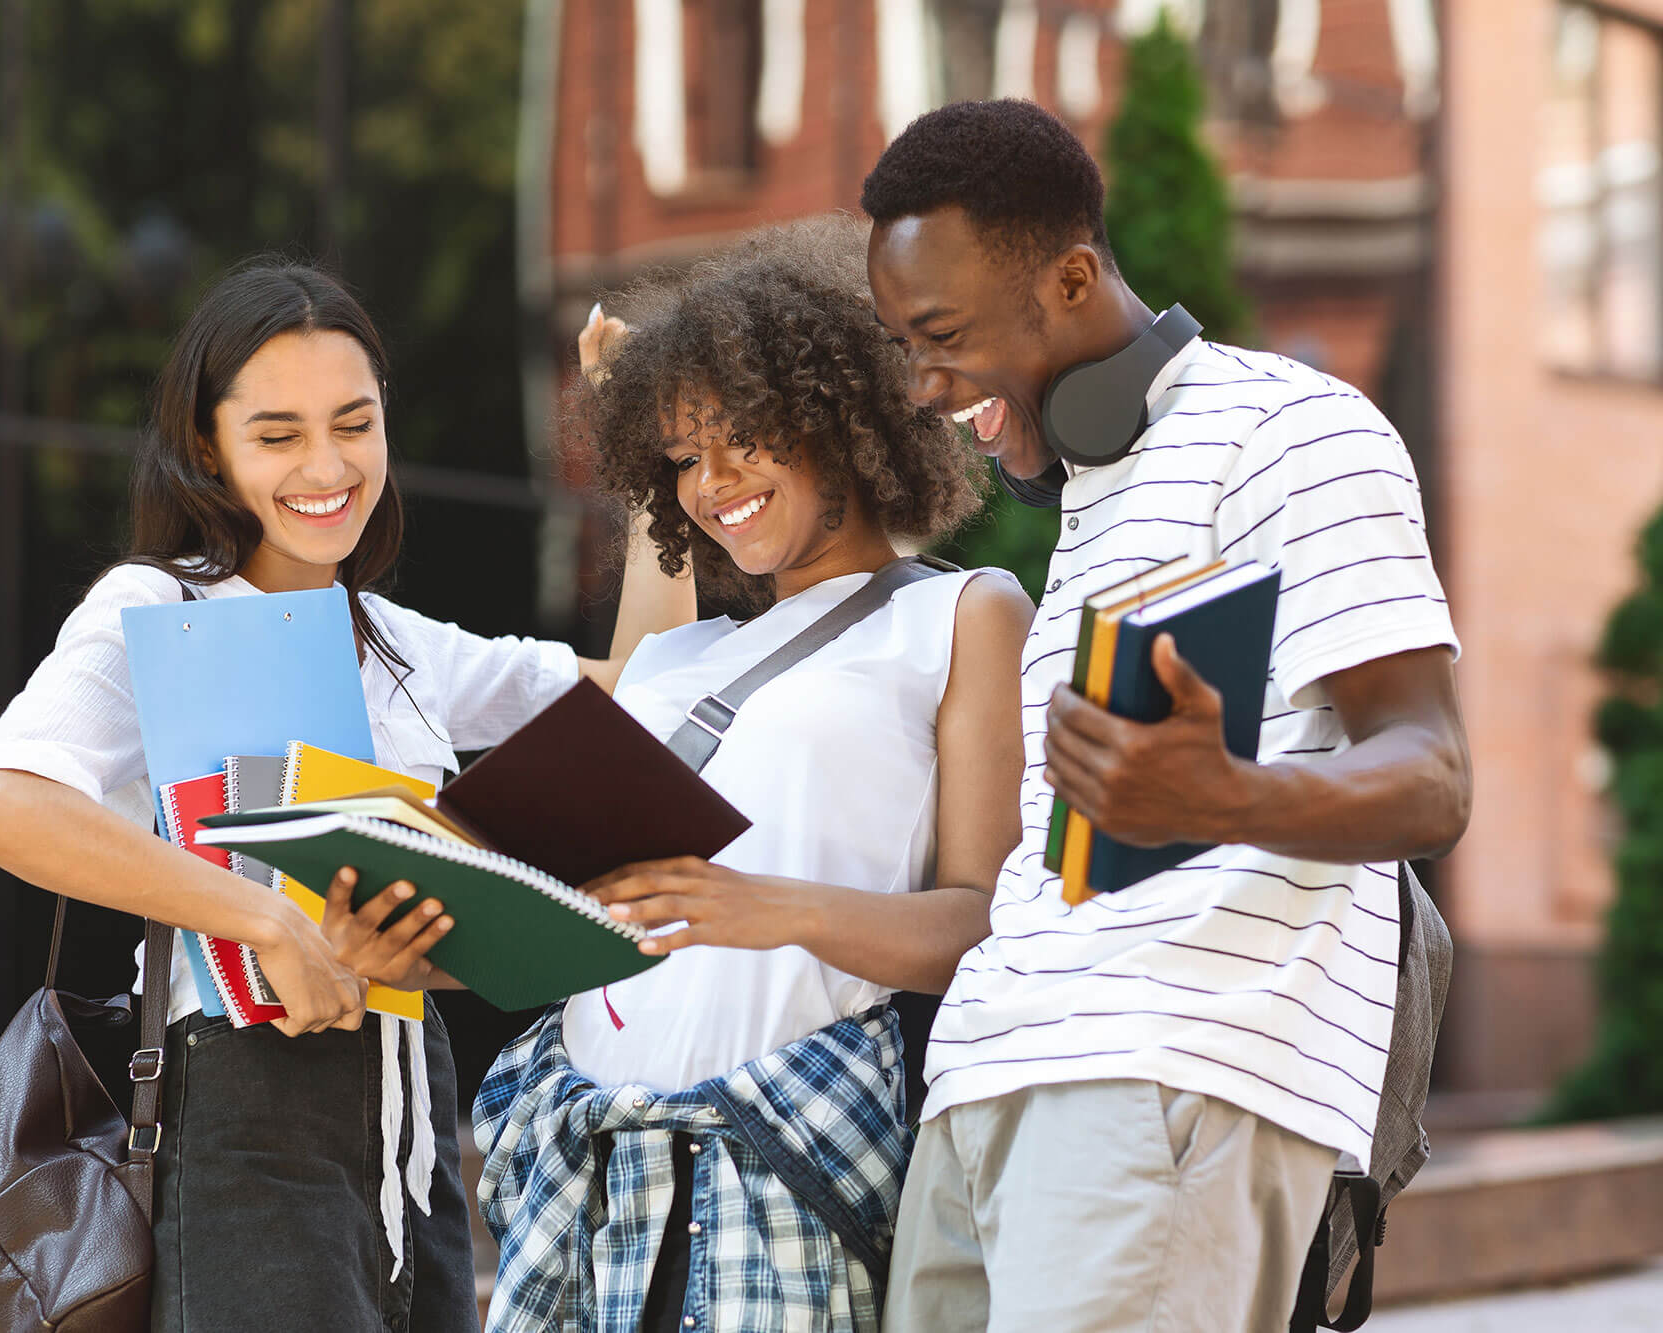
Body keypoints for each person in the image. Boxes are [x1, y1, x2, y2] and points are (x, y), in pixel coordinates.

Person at [0, 261, 691, 1333]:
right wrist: (261, 917)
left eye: (353, 424)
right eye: (278, 434)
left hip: (414, 1128)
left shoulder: (393, 642)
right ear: (207, 447)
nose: (325, 466)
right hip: (244, 1116)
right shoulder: (160, 604)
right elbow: (2, 802)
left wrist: (642, 468)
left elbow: (648, 697)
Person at [861, 99, 1473, 1332]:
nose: (923, 386)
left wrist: (1229, 796)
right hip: (987, 1081)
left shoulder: (1290, 431)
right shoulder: (1091, 508)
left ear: (1072, 277)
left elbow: (1429, 772)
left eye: (942, 336)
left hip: (1162, 1077)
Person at [472, 219, 1036, 1333]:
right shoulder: (673, 660)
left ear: (843, 417)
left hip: (782, 1167)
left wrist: (762, 910)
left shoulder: (958, 615)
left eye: (743, 439)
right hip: (591, 1164)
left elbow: (983, 926)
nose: (711, 484)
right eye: (681, 456)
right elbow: (581, 905)